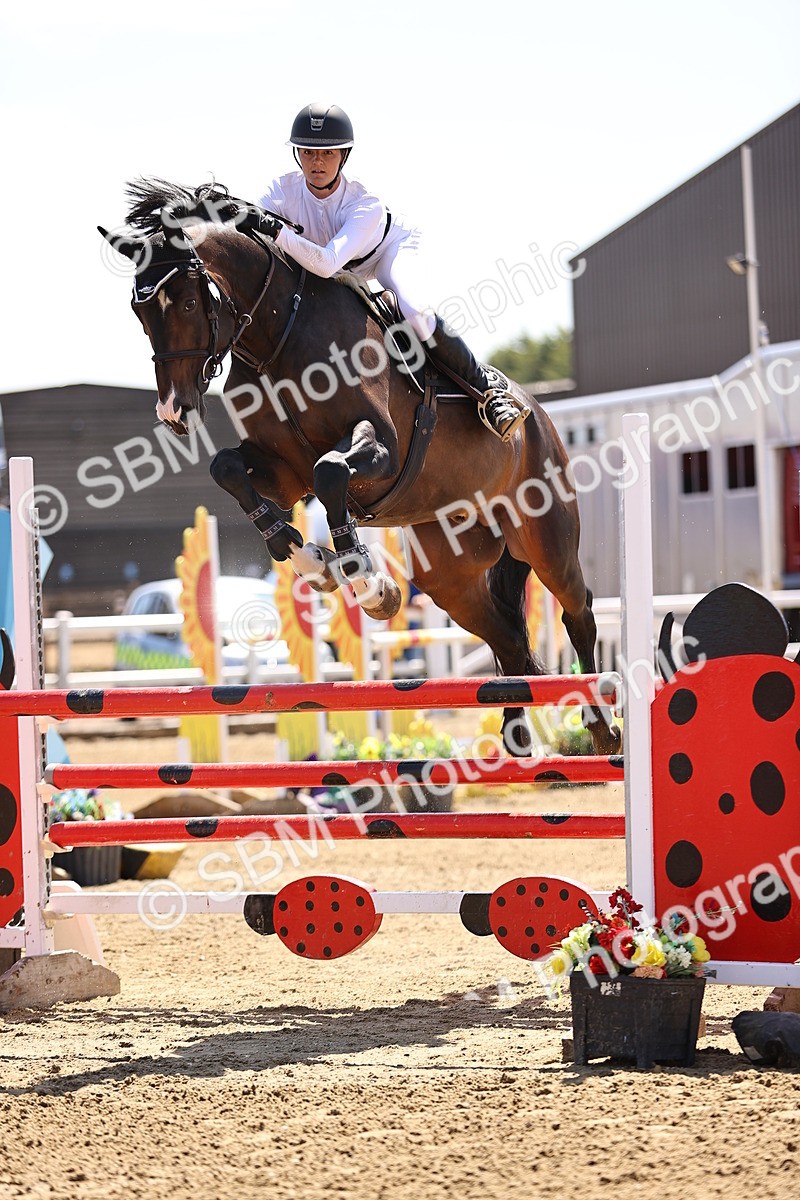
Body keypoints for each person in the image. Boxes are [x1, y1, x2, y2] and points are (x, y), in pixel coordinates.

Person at [245, 103, 530, 442]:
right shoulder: (282, 190)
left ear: (343, 156)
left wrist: (276, 232)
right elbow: (249, 225)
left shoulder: (365, 202)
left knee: (416, 313)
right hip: (333, 268)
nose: (316, 162)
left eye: (327, 153)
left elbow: (325, 263)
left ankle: (487, 391)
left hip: (386, 253)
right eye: (307, 152)